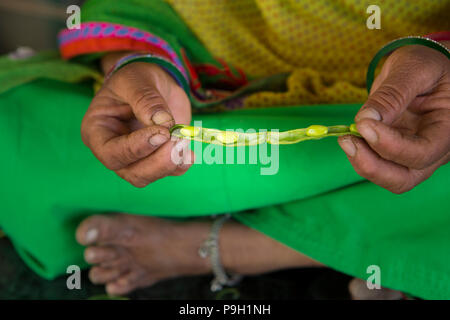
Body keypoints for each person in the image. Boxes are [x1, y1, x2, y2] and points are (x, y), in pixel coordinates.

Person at [0, 0, 448, 299]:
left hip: (413, 102)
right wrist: (137, 66)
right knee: (15, 130)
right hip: (206, 88)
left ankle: (226, 244)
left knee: (428, 155)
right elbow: (133, 6)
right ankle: (372, 245)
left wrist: (437, 59)